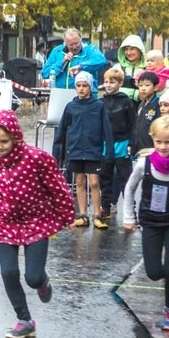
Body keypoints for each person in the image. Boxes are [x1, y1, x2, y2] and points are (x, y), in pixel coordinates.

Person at [0, 110, 75, 338]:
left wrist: (68, 216)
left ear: (16, 138)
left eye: (4, 141)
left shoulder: (37, 158)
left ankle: (42, 282)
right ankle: (24, 320)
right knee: (8, 273)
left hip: (36, 222)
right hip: (5, 225)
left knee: (33, 276)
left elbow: (58, 189)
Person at [121, 115, 169, 332]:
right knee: (154, 271)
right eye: (159, 142)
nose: (163, 147)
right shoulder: (144, 165)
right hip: (151, 223)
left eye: (168, 142)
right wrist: (129, 217)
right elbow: (129, 189)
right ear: (152, 140)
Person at [53, 72, 113, 230]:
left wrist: (110, 151)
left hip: (94, 150)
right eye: (78, 86)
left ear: (90, 87)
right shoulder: (71, 106)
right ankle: (82, 215)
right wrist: (57, 153)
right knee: (79, 182)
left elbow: (107, 129)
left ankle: (97, 215)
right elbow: (62, 129)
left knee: (94, 182)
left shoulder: (98, 105)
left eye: (84, 86)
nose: (81, 89)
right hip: (76, 150)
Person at [101, 67, 135, 223]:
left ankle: (130, 209)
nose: (108, 85)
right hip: (105, 145)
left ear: (120, 83)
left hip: (122, 143)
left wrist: (131, 143)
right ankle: (105, 208)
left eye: (112, 82)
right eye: (106, 82)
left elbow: (132, 124)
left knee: (125, 179)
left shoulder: (126, 101)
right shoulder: (101, 102)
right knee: (105, 178)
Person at [40, 28, 108, 89]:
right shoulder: (57, 51)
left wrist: (80, 67)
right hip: (60, 94)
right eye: (71, 45)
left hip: (86, 98)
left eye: (76, 43)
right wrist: (61, 62)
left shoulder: (91, 50)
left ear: (81, 39)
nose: (74, 47)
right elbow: (45, 73)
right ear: (65, 43)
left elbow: (101, 61)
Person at [131, 72, 162, 157]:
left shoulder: (158, 104)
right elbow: (136, 126)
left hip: (151, 149)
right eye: (140, 86)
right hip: (138, 149)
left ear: (155, 87)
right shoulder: (141, 104)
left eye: (147, 85)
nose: (143, 88)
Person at [113, 34, 146, 101]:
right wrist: (136, 94)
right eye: (126, 49)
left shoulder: (148, 69)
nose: (128, 53)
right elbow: (111, 88)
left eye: (132, 49)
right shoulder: (117, 68)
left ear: (140, 50)